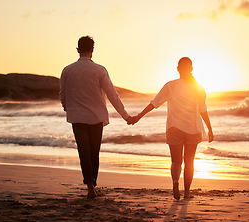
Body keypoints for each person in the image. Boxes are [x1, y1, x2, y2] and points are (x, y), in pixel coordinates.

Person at [128, 57, 214, 200]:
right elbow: (203, 111)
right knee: (189, 161)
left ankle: (175, 182)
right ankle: (187, 192)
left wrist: (139, 116)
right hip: (193, 129)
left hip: (174, 128)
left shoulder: (170, 86)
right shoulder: (198, 88)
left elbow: (154, 104)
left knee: (176, 161)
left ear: (178, 69)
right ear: (191, 69)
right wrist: (210, 129)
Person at [60, 36, 133, 199]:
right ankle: (93, 185)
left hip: (77, 117)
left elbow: (63, 94)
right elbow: (112, 95)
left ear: (78, 50)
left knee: (83, 151)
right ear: (92, 50)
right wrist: (125, 116)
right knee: (94, 152)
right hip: (96, 117)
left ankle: (90, 185)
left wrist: (68, 108)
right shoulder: (100, 70)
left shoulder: (67, 70)